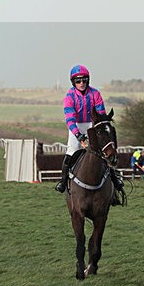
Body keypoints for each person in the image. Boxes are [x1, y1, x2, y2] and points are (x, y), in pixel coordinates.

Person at [55, 64, 125, 201]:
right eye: (78, 81)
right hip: (76, 125)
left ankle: (115, 182)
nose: (81, 83)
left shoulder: (95, 94)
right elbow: (70, 119)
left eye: (84, 80)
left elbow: (101, 115)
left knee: (102, 153)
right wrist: (78, 134)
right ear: (73, 82)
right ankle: (63, 182)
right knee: (71, 151)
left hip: (92, 125)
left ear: (88, 80)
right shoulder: (69, 97)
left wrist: (98, 130)